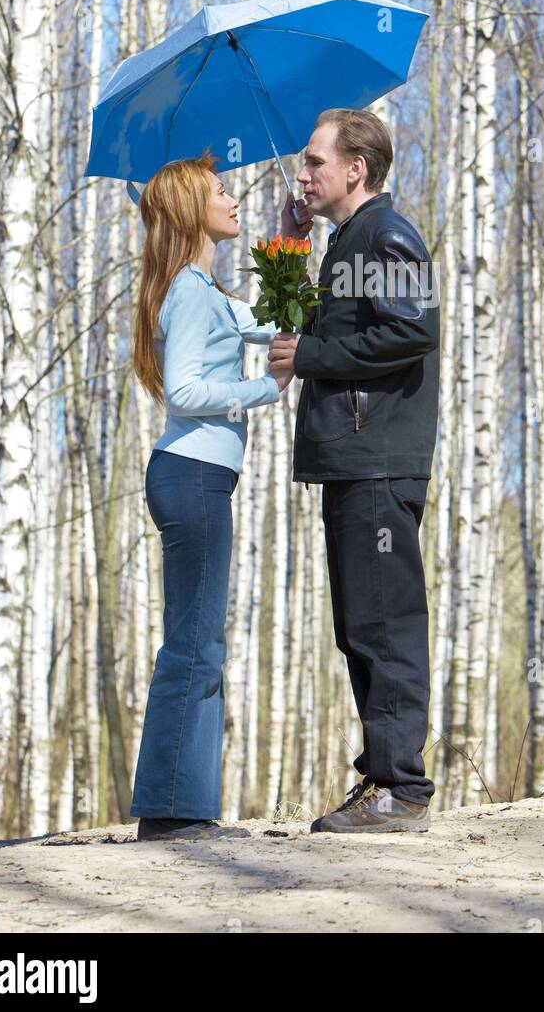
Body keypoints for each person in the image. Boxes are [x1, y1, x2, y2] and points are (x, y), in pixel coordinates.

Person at [129, 151, 312, 841]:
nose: (234, 199)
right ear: (189, 211)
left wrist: (292, 235)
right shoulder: (186, 290)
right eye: (220, 191)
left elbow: (274, 317)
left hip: (198, 476)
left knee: (199, 639)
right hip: (191, 475)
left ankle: (180, 806)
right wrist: (264, 389)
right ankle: (172, 813)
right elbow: (183, 391)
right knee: (194, 644)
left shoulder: (203, 288)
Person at [268, 108, 440, 833]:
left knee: (384, 624)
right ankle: (383, 781)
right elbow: (299, 324)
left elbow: (411, 329)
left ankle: (401, 792)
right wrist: (286, 247)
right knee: (359, 625)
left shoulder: (382, 235)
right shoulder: (346, 241)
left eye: (313, 162)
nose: (302, 174)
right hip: (351, 460)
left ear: (354, 170)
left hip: (376, 461)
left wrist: (311, 359)